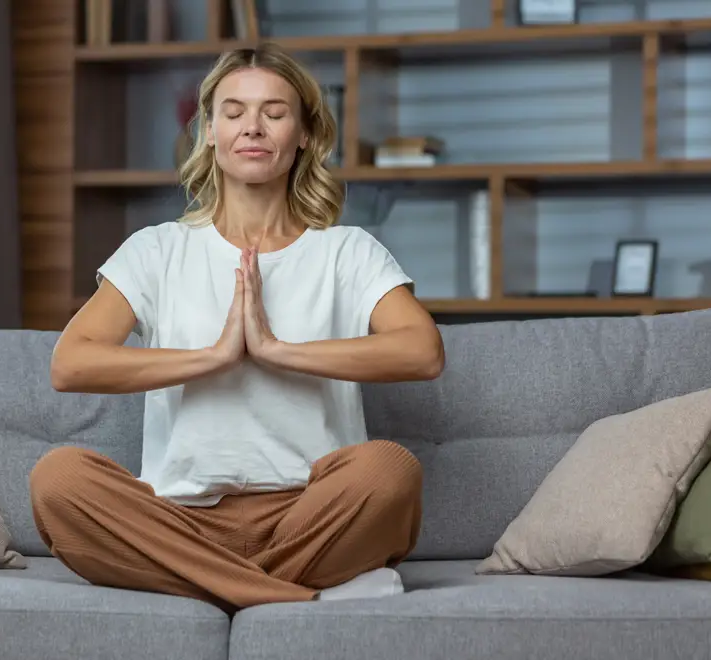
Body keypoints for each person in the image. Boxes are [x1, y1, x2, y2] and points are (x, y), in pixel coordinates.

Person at [29, 42, 445, 615]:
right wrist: (217, 356)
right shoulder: (157, 250)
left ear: (303, 134)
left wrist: (276, 350)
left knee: (389, 469)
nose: (253, 127)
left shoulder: (346, 252)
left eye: (274, 112)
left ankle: (205, 586)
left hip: (309, 515)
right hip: (178, 519)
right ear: (210, 131)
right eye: (234, 112)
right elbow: (70, 363)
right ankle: (307, 594)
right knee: (59, 479)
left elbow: (423, 352)